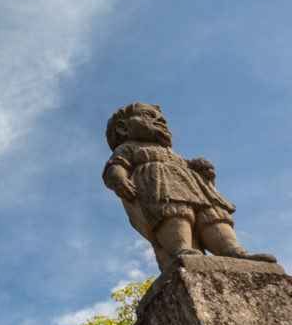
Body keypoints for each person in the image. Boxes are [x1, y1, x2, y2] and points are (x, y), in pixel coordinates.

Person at [103, 103, 275, 270]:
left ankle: (233, 251)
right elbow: (116, 165)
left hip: (193, 187)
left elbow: (187, 164)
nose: (161, 121)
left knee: (213, 216)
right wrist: (117, 175)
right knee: (175, 214)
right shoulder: (129, 148)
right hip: (159, 188)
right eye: (149, 116)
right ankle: (181, 248)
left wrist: (201, 168)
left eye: (162, 119)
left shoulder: (171, 153)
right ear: (122, 128)